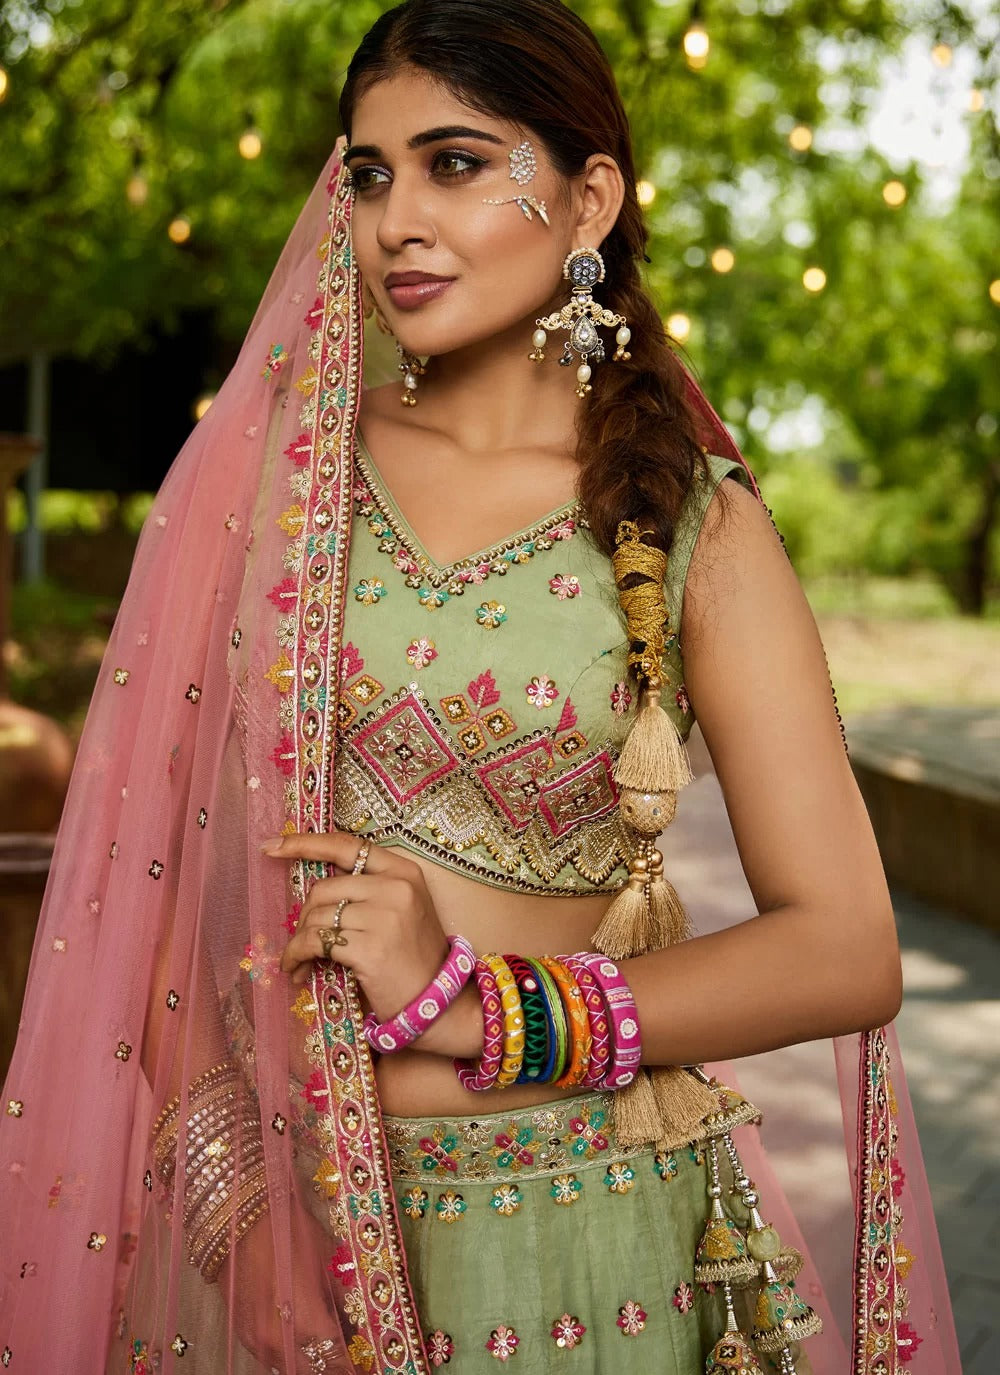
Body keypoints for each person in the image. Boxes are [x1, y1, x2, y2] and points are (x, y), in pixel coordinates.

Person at [0, 3, 960, 1373]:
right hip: (294, 1237)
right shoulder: (274, 485)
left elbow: (848, 947)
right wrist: (244, 1231)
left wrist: (477, 1004)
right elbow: (150, 900)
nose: (397, 218)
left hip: (594, 1247)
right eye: (372, 171)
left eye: (455, 162)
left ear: (588, 200)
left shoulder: (691, 524)